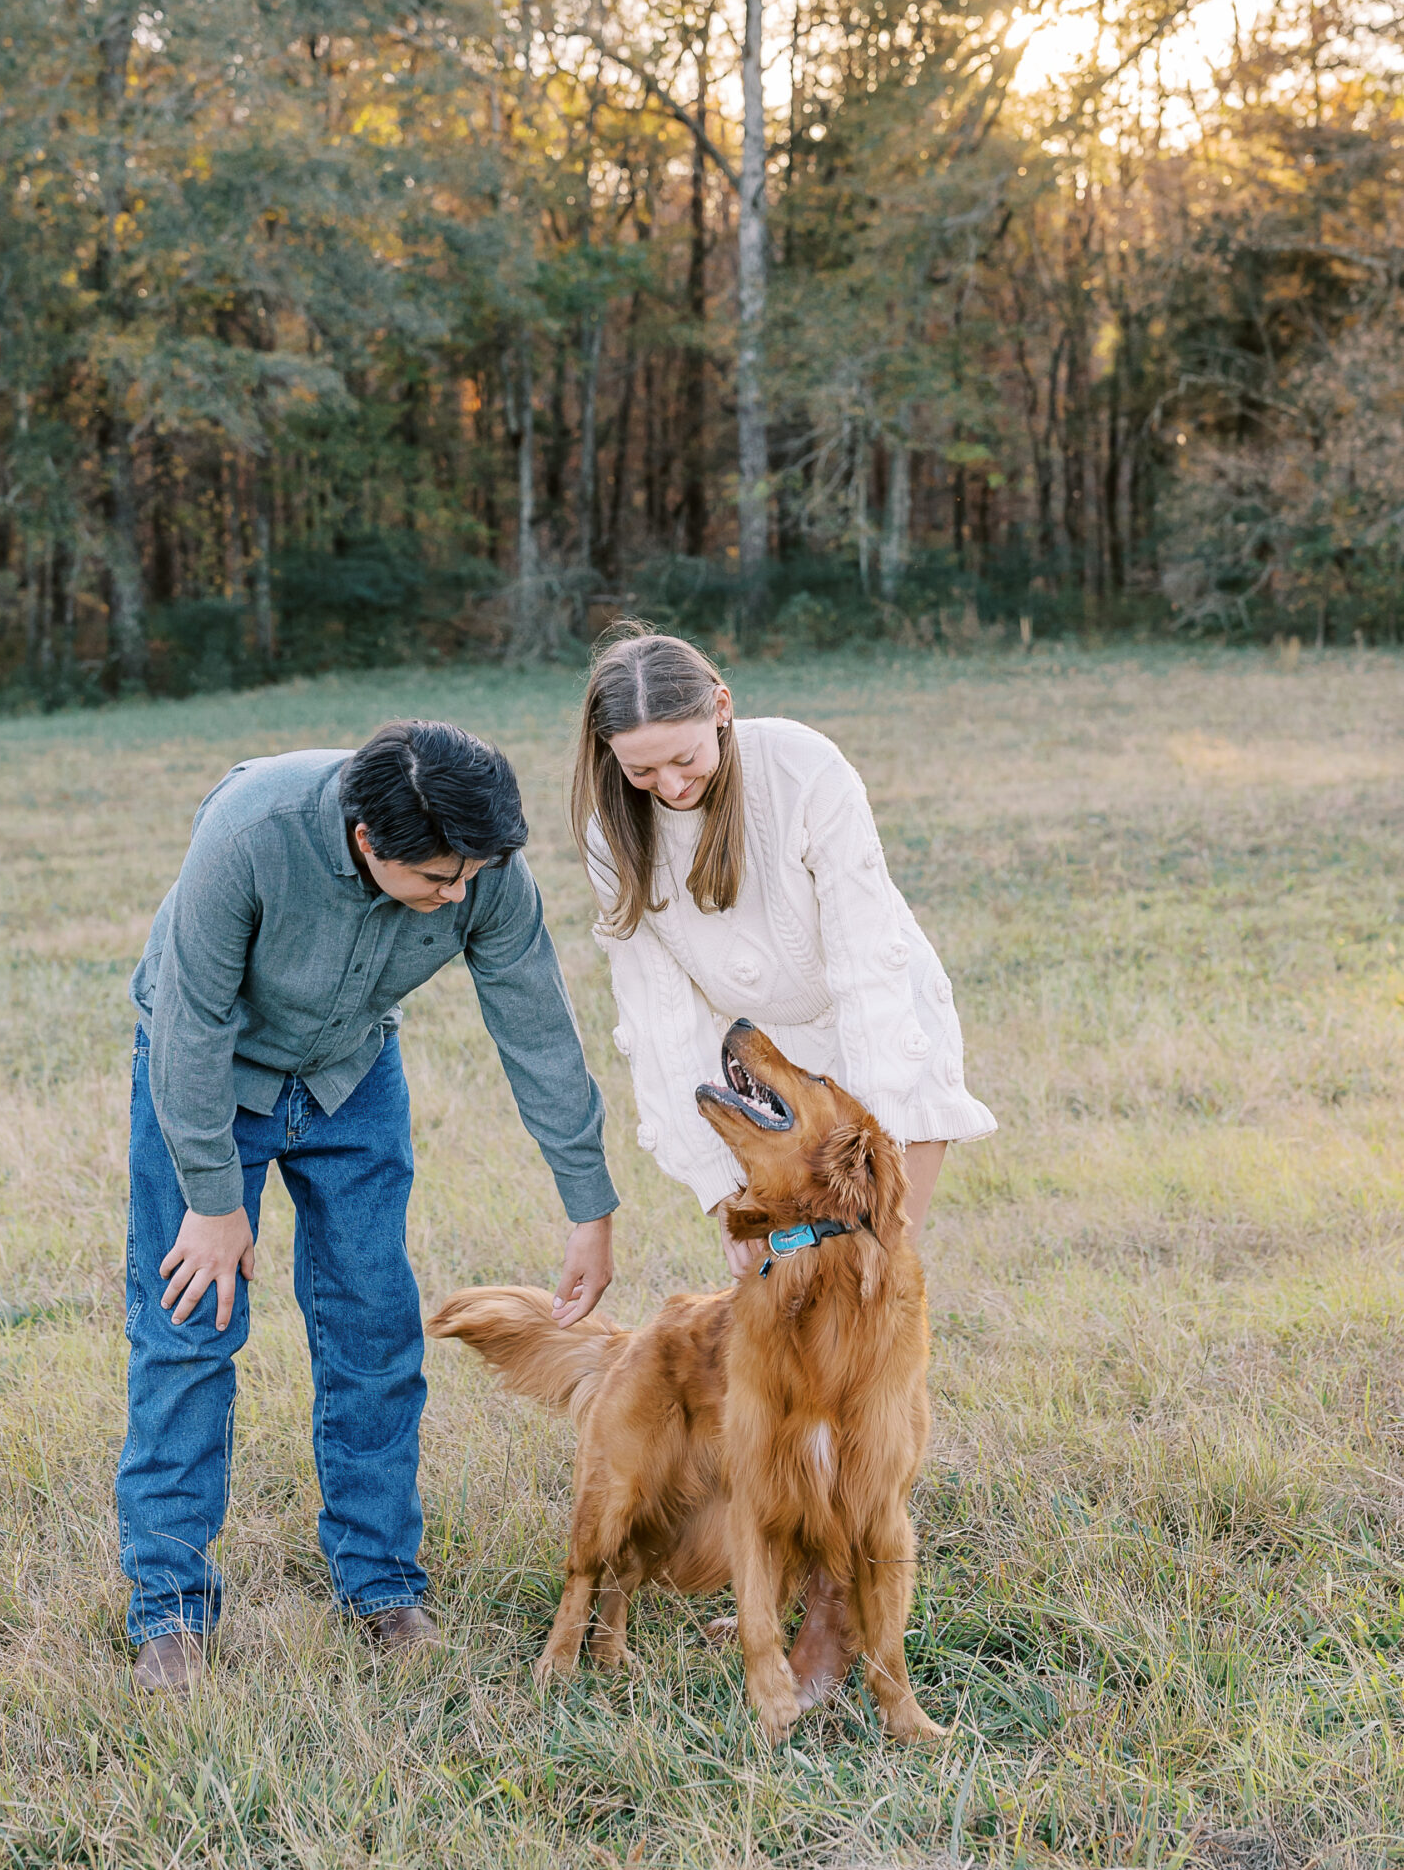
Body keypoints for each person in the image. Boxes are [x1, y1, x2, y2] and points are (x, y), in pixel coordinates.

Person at [119, 718, 619, 1693]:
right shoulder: (249, 835)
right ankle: (169, 1608)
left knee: (375, 1326)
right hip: (211, 1078)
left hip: (351, 1075)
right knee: (191, 1326)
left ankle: (381, 1584)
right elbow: (187, 1025)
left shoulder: (478, 865)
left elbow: (539, 1028)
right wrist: (216, 1202)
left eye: (471, 876)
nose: (458, 897)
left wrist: (587, 1201)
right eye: (437, 880)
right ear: (366, 842)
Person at [571, 627, 995, 1702]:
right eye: (640, 767)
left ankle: (831, 1622)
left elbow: (865, 963)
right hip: (759, 1081)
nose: (668, 783)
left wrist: (879, 1175)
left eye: (685, 757)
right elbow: (658, 1021)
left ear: (722, 703)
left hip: (872, 1058)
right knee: (778, 1341)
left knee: (867, 1333)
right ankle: (787, 1562)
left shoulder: (805, 768)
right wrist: (730, 1193)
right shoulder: (610, 827)